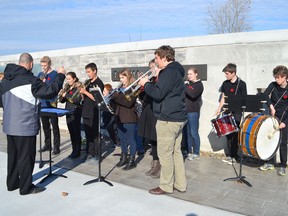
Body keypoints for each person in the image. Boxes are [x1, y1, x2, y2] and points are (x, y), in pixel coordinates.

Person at [0, 53, 65, 195]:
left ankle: (12, 184)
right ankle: (26, 188)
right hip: (25, 125)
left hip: (10, 126)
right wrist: (60, 76)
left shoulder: (5, 80)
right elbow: (50, 91)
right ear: (30, 64)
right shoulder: (30, 79)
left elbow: (1, 102)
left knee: (13, 156)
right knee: (26, 157)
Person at [139, 45, 187, 195]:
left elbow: (158, 94)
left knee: (165, 155)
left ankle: (166, 186)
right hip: (178, 118)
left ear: (165, 58)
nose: (156, 62)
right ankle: (180, 184)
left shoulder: (169, 72)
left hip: (168, 119)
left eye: (157, 59)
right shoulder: (176, 71)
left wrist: (145, 83)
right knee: (176, 153)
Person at [215, 63, 247, 165]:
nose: (226, 75)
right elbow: (223, 97)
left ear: (233, 73)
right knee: (228, 134)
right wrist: (219, 109)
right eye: (225, 73)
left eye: (227, 73)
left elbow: (244, 99)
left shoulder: (242, 84)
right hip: (227, 111)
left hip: (237, 112)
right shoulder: (225, 83)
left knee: (235, 133)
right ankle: (230, 155)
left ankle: (235, 155)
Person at [260, 65, 288, 176]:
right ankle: (270, 163)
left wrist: (285, 122)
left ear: (284, 77)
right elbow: (265, 95)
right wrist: (271, 106)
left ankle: (282, 165)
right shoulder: (273, 85)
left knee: (282, 142)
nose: (276, 80)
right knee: (271, 139)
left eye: (278, 77)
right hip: (273, 115)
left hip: (285, 117)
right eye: (275, 77)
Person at [110, 68, 138, 170]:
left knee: (131, 139)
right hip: (119, 116)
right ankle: (124, 157)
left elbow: (128, 103)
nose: (121, 80)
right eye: (120, 78)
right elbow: (116, 103)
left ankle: (132, 160)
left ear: (128, 76)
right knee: (122, 139)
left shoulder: (133, 88)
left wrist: (116, 96)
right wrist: (111, 98)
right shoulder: (120, 88)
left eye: (123, 77)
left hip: (129, 117)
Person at [138, 59, 161, 178]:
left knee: (157, 139)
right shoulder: (151, 80)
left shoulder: (160, 80)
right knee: (152, 139)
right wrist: (141, 86)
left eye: (153, 67)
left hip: (156, 113)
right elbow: (143, 96)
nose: (151, 70)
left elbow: (157, 94)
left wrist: (147, 84)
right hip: (148, 110)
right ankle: (155, 162)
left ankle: (158, 165)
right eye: (150, 68)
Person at [79, 63, 104, 162]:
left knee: (95, 135)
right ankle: (90, 152)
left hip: (94, 111)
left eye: (89, 72)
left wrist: (85, 92)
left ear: (95, 71)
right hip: (86, 110)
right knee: (88, 134)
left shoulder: (99, 83)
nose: (88, 74)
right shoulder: (87, 82)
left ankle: (97, 154)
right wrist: (82, 93)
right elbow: (84, 97)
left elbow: (96, 98)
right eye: (87, 72)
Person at [38, 56, 61, 155]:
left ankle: (56, 146)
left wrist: (46, 83)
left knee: (54, 126)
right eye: (42, 65)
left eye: (45, 65)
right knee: (45, 126)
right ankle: (47, 144)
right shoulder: (40, 74)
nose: (43, 67)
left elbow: (55, 88)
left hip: (52, 104)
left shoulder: (55, 74)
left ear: (49, 64)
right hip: (42, 104)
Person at [59, 72, 83, 158]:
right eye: (67, 79)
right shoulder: (68, 88)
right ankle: (74, 149)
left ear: (74, 79)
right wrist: (62, 95)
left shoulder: (78, 87)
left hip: (75, 111)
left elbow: (77, 100)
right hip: (68, 111)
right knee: (71, 132)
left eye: (69, 79)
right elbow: (62, 100)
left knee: (76, 132)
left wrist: (67, 95)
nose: (68, 81)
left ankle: (78, 150)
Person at [184, 67, 204, 161]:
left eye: (191, 74)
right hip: (186, 111)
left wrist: (184, 86)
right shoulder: (188, 84)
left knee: (194, 132)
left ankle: (196, 152)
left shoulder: (199, 85)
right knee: (187, 133)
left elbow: (193, 94)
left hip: (193, 112)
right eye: (188, 74)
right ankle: (188, 151)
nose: (189, 76)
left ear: (196, 74)